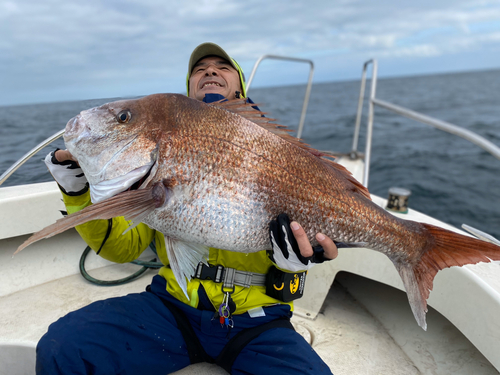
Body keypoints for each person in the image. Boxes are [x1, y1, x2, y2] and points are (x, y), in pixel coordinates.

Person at [37, 42, 337, 375]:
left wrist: (295, 264)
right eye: (199, 68)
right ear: (189, 91)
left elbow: (311, 223)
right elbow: (119, 249)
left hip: (259, 321)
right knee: (63, 347)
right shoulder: (153, 166)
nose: (209, 71)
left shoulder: (274, 151)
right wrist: (76, 191)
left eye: (222, 67)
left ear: (240, 84)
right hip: (172, 307)